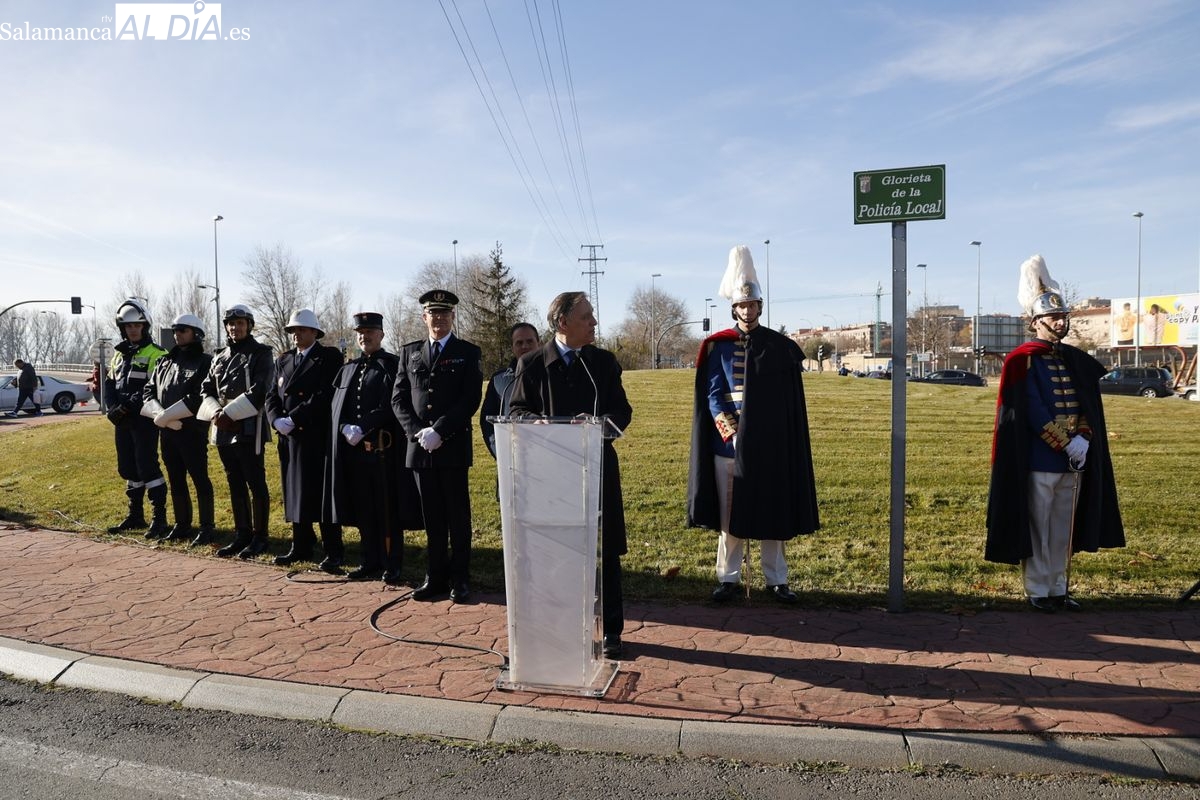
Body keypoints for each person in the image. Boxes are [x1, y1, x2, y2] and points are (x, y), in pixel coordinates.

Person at [986, 254, 1125, 612]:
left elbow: (1086, 405)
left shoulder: (1073, 359)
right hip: (1039, 458)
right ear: (1036, 322)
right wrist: (1065, 442)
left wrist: (1084, 437)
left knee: (1063, 528)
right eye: (1053, 317)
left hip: (1074, 459)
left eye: (1062, 317)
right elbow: (1030, 408)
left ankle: (1059, 587)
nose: (1060, 322)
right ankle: (1037, 589)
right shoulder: (1023, 359)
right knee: (1039, 528)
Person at [687, 245, 820, 605]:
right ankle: (727, 577)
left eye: (752, 305)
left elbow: (787, 402)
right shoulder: (719, 348)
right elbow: (714, 395)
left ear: (760, 307)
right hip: (729, 446)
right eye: (742, 305)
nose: (748, 310)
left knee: (772, 511)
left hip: (769, 444)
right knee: (731, 516)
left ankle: (777, 579)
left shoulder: (779, 347)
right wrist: (731, 433)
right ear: (734, 308)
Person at [508, 291, 632, 658]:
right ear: (562, 323)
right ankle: (561, 628)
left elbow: (622, 412)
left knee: (606, 551)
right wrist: (538, 423)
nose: (594, 322)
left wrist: (598, 425)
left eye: (592, 315)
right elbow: (514, 413)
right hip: (552, 475)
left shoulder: (604, 362)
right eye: (586, 316)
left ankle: (611, 632)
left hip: (598, 468)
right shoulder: (531, 364)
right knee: (558, 551)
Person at [390, 290, 483, 602]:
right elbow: (399, 398)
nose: (439, 319)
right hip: (420, 449)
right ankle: (435, 576)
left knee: (457, 517)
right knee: (432, 518)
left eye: (445, 314)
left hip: (452, 446)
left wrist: (440, 430)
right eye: (434, 313)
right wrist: (418, 432)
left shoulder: (467, 352)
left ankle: (460, 578)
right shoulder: (410, 352)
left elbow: (470, 398)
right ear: (424, 317)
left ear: (453, 317)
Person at [327, 312, 423, 583]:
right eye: (360, 332)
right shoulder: (349, 368)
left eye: (370, 331)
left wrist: (365, 425)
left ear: (381, 334)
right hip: (355, 452)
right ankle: (369, 560)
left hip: (385, 453)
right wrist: (345, 426)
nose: (364, 336)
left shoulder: (391, 365)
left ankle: (392, 563)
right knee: (363, 508)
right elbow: (337, 405)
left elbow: (394, 403)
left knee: (388, 509)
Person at [266, 309, 345, 572]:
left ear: (314, 332)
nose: (296, 335)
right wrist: (276, 419)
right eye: (293, 331)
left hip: (314, 435)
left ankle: (333, 549)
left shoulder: (329, 357)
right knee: (295, 493)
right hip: (288, 437)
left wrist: (296, 418)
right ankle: (301, 544)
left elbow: (324, 394)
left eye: (301, 330)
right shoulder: (284, 360)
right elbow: (271, 395)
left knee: (320, 494)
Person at [199, 304, 275, 559]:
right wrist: (216, 413)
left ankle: (260, 537)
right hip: (222, 428)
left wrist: (229, 414)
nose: (235, 328)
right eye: (231, 324)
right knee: (234, 482)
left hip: (247, 427)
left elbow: (261, 388)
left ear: (249, 325)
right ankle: (241, 534)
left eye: (240, 323)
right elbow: (207, 388)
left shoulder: (261, 353)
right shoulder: (219, 357)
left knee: (255, 482)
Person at [141, 314, 216, 546]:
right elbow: (148, 391)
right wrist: (162, 418)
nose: (178, 334)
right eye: (175, 330)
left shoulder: (205, 362)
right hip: (168, 432)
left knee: (199, 479)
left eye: (183, 330)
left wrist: (168, 417)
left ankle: (207, 527)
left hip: (191, 431)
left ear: (196, 333)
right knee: (175, 479)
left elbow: (198, 396)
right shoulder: (165, 361)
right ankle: (182, 524)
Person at [103, 299, 169, 537]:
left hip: (143, 419)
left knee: (147, 465)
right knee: (128, 468)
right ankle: (135, 516)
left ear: (145, 326)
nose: (132, 329)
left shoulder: (158, 353)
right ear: (122, 328)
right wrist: (112, 407)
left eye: (137, 325)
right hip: (122, 421)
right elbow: (110, 383)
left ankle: (159, 518)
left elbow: (155, 387)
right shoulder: (118, 355)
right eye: (128, 326)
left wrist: (128, 406)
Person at [479, 322, 540, 458]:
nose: (525, 346)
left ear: (538, 343)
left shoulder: (553, 375)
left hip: (550, 456)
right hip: (510, 460)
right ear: (512, 347)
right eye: (519, 343)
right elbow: (487, 423)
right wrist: (500, 452)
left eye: (530, 341)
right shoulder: (499, 380)